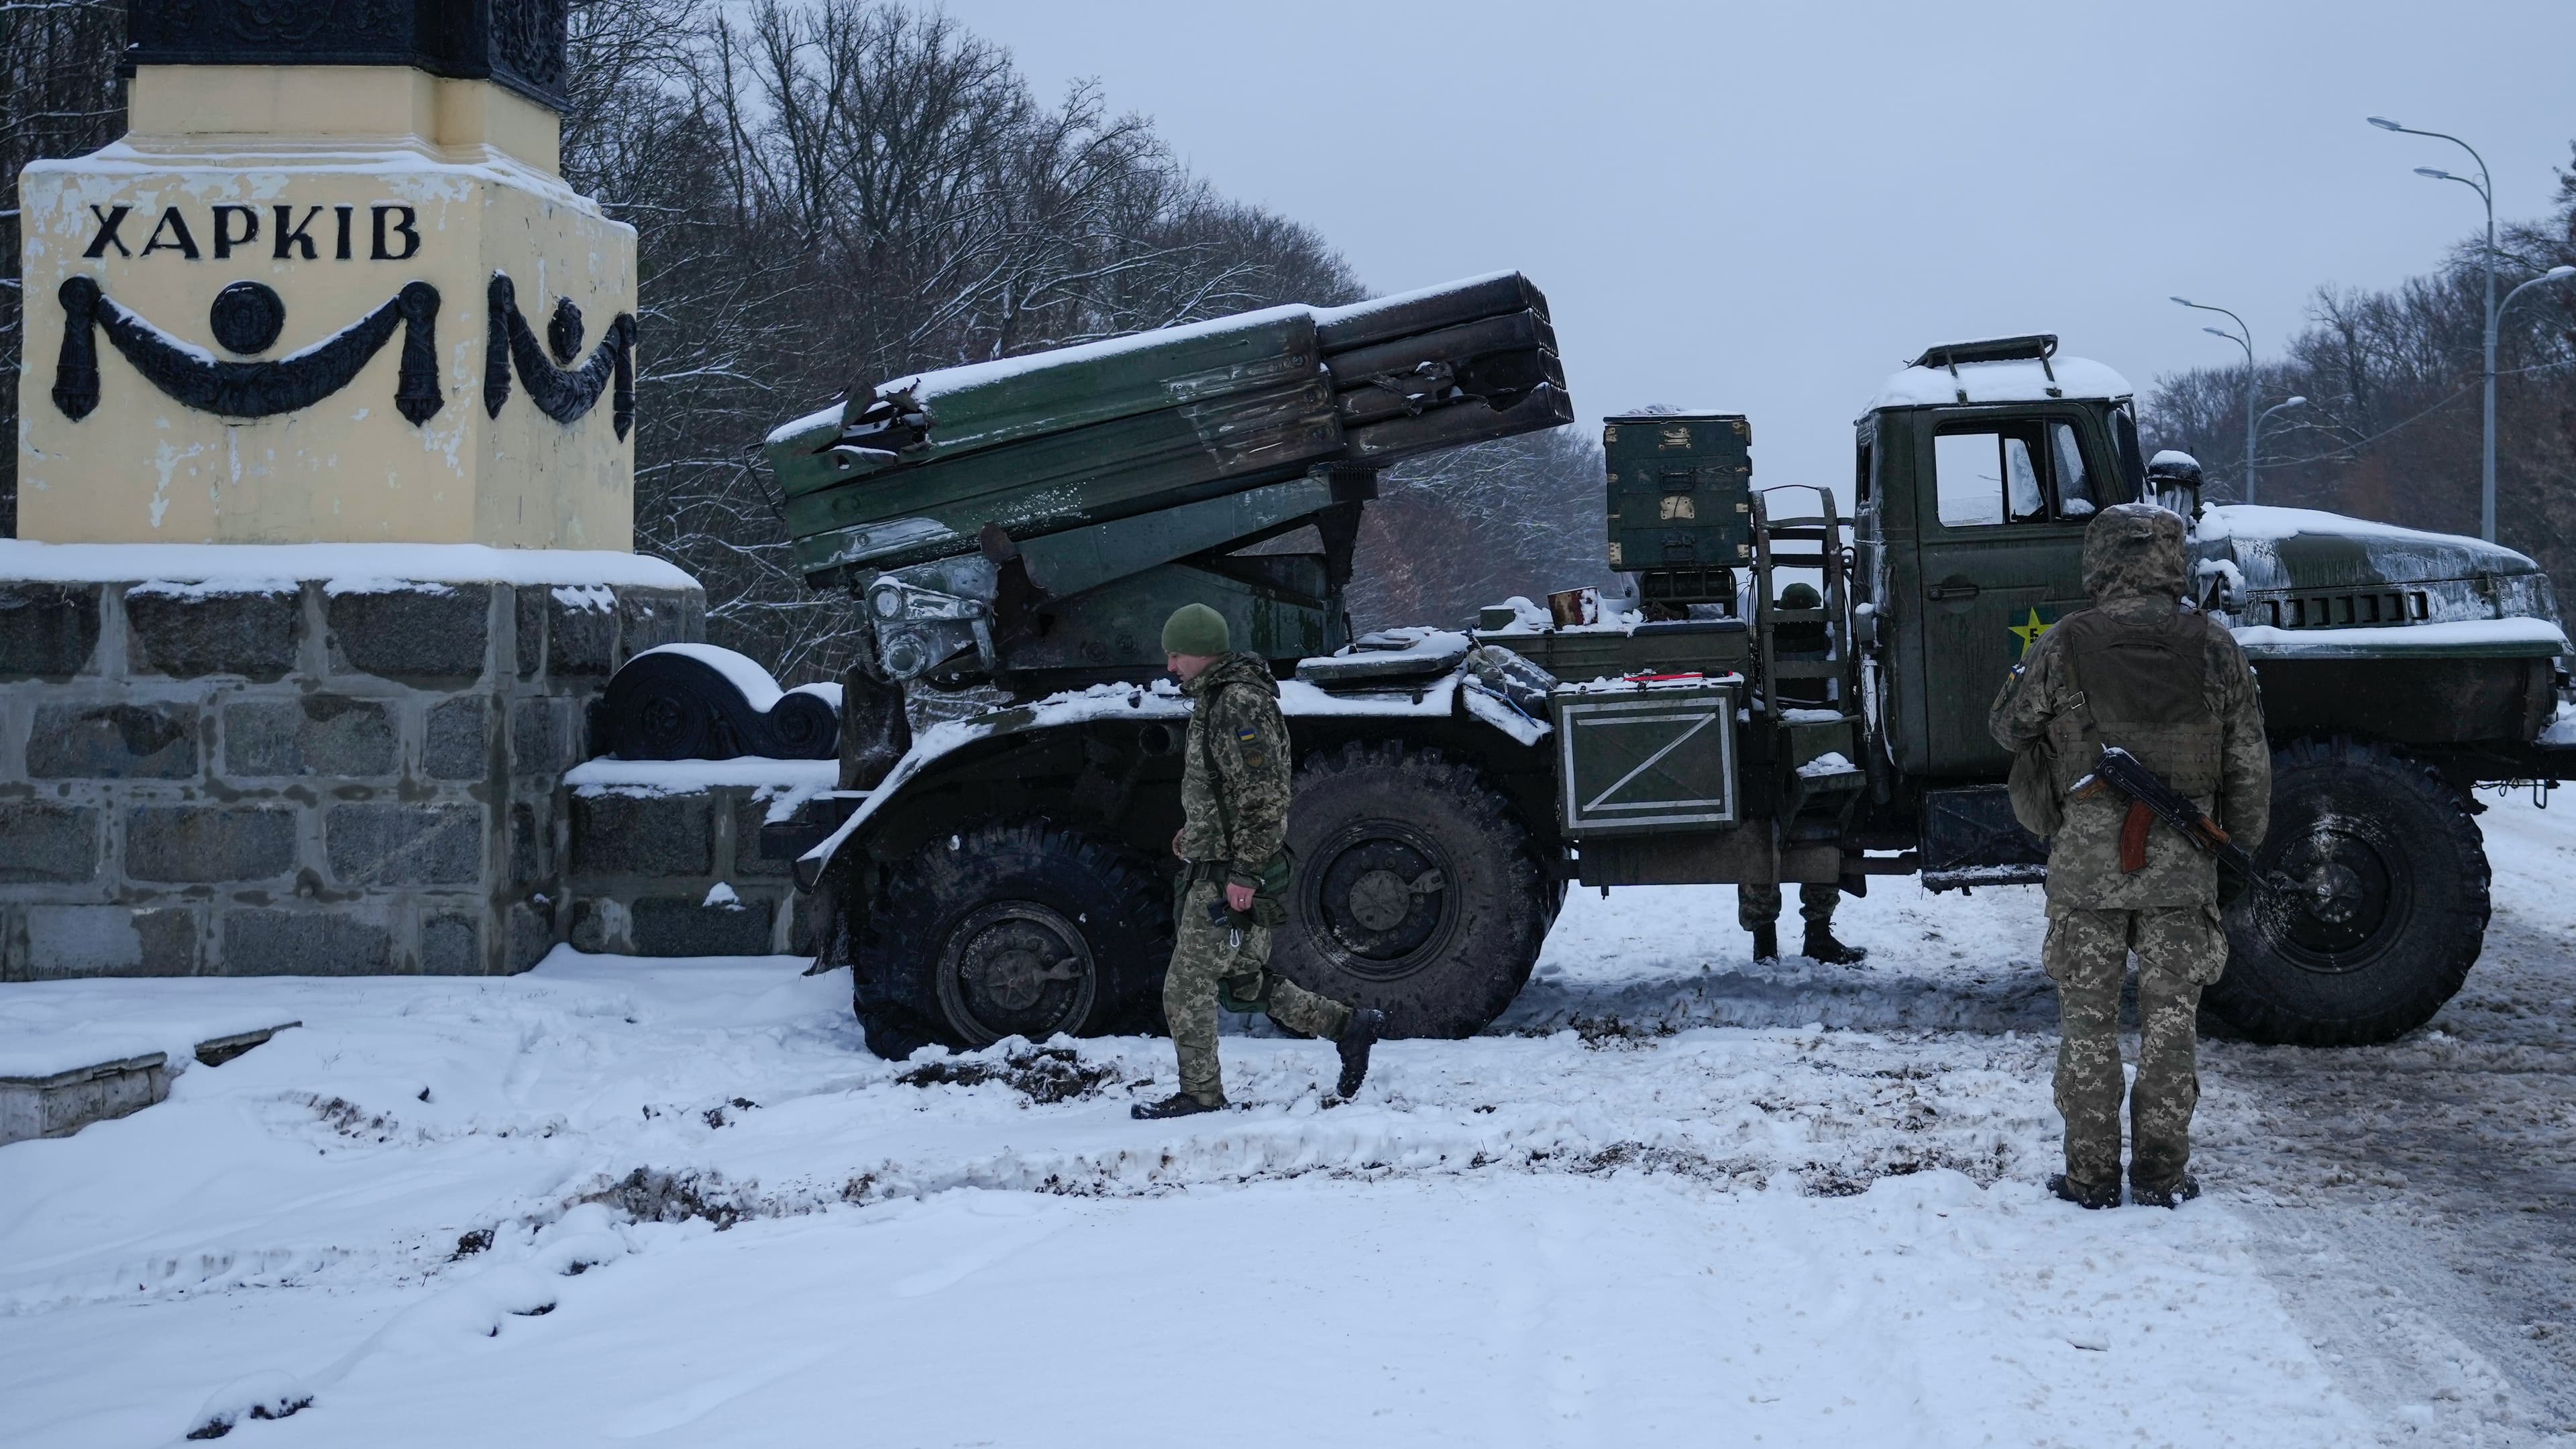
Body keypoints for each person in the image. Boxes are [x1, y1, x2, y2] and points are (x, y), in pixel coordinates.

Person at [1987, 502, 2269, 1209]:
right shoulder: (2215, 645)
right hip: (2183, 871)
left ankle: (2090, 1179)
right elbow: (2247, 764)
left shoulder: (2066, 642)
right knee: (2173, 1028)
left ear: (2101, 559)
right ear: (2174, 559)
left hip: (2088, 870)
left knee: (2088, 1028)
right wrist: (2238, 850)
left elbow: (2006, 727)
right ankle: (2162, 1176)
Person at [1132, 603, 1385, 1120]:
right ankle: (1347, 1026)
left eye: (1176, 655)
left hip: (1231, 875)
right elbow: (1227, 791)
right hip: (1219, 864)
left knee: (1186, 986)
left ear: (1201, 652)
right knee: (1245, 982)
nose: (1170, 667)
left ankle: (1200, 1095)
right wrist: (1196, 833)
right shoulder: (1217, 698)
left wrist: (1244, 873)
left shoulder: (1238, 704)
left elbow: (1265, 795)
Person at [1740, 580, 1866, 965]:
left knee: (1760, 845)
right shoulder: (1831, 649)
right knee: (1826, 840)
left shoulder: (1763, 647)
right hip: (1823, 750)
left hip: (1768, 760)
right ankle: (1817, 936)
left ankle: (1765, 945)